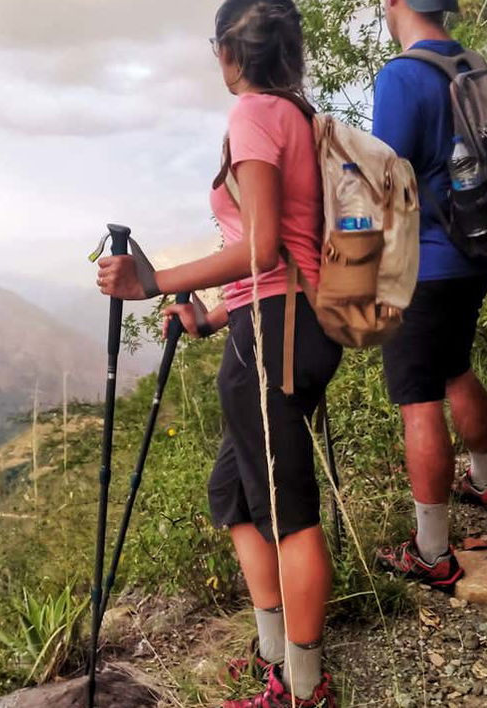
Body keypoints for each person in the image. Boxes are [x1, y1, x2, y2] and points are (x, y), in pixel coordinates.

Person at [95, 1, 340, 705]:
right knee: (232, 494)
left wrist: (154, 281)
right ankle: (275, 656)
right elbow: (284, 249)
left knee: (286, 512)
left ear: (228, 51)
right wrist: (210, 314)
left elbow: (262, 245)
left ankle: (304, 685)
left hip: (278, 334)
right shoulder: (297, 114)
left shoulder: (257, 115)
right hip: (273, 323)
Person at [370, 0, 487, 591]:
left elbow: (381, 177)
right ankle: (486, 483)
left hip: (424, 266)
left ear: (396, 3)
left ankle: (432, 552)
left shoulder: (403, 76)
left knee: (418, 397)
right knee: (456, 365)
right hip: (478, 250)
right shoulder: (474, 65)